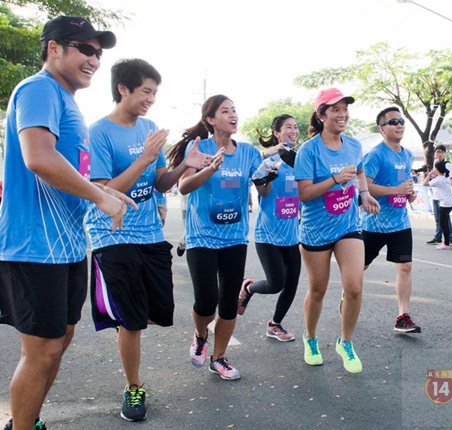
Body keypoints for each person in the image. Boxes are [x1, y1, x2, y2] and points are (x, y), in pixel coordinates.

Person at [0, 16, 136, 430]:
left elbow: (69, 172)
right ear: (53, 48)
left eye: (98, 52)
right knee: (41, 350)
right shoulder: (39, 89)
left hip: (67, 246)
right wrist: (99, 196)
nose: (94, 59)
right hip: (34, 245)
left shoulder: (66, 100)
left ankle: (30, 419)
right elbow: (38, 157)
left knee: (58, 342)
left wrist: (106, 193)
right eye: (85, 48)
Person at [85, 58, 212, 421]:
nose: (151, 99)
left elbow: (160, 184)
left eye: (155, 93)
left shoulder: (150, 127)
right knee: (134, 319)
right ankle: (133, 387)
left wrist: (185, 166)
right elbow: (105, 192)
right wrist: (144, 158)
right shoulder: (100, 132)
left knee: (160, 311)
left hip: (149, 234)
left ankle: (124, 313)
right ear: (123, 89)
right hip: (113, 232)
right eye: (145, 91)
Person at [168, 94, 268, 381]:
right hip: (201, 236)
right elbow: (184, 186)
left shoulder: (248, 152)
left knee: (227, 304)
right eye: (225, 111)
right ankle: (200, 335)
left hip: (235, 237)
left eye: (235, 110)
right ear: (210, 119)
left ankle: (219, 357)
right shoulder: (198, 147)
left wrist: (265, 177)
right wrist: (210, 168)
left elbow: (263, 192)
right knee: (206, 301)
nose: (233, 115)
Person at [295, 88, 379, 374]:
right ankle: (311, 338)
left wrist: (364, 194)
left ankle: (345, 342)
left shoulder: (354, 145)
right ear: (321, 115)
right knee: (317, 290)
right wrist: (333, 179)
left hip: (348, 225)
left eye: (345, 109)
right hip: (316, 230)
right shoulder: (308, 150)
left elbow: (359, 173)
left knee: (354, 287)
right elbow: (304, 194)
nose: (342, 114)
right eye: (335, 109)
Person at [237, 114, 301, 341]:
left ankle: (275, 325)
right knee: (276, 284)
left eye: (295, 127)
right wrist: (269, 178)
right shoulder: (269, 161)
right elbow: (262, 193)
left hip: (292, 234)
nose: (294, 131)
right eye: (288, 127)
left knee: (292, 284)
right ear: (277, 133)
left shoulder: (300, 159)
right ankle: (248, 288)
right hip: (268, 232)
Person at [361, 107, 421, 334]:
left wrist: (409, 193)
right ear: (381, 128)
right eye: (393, 122)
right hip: (374, 222)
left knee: (405, 266)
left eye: (401, 121)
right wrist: (395, 189)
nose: (399, 125)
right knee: (360, 267)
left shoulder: (406, 155)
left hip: (400, 222)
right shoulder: (375, 155)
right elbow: (364, 186)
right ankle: (349, 295)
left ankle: (402, 316)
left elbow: (404, 183)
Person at [426, 144, 452, 246]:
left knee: (445, 218)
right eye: (437, 152)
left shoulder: (447, 165)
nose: (439, 154)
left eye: (441, 152)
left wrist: (445, 188)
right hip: (436, 195)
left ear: (444, 153)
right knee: (438, 218)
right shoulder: (436, 164)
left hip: (443, 196)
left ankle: (449, 238)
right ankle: (438, 237)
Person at [176, 192, 188, 256]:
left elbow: (223, 184)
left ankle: (183, 242)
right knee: (189, 231)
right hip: (187, 207)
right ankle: (183, 243)